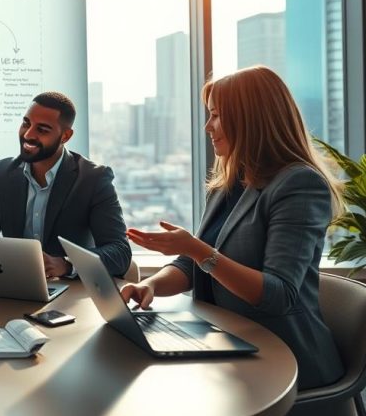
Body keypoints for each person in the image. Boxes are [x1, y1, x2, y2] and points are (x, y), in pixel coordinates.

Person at [121, 66, 344, 390]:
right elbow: (195, 263)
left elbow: (279, 295)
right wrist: (152, 285)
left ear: (251, 119)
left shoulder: (299, 184)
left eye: (216, 115)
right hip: (230, 345)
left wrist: (195, 248)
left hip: (286, 361)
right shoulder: (227, 185)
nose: (207, 126)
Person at [0, 91, 131, 278]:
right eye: (26, 123)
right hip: (14, 288)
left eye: (42, 130)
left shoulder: (93, 178)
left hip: (70, 293)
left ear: (65, 136)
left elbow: (120, 253)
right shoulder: (1, 173)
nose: (28, 134)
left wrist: (67, 265)